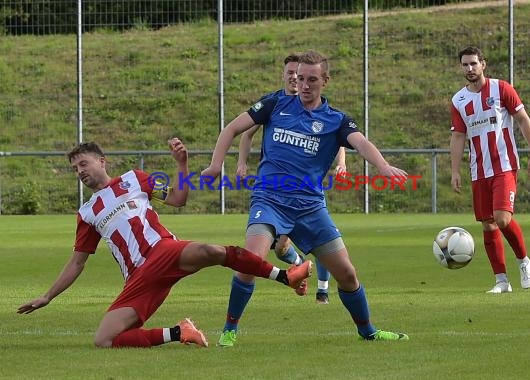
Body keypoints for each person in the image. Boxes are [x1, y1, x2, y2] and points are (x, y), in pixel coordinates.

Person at [17, 138, 312, 348]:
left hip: (164, 251)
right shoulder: (87, 213)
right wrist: (48, 296)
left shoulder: (135, 179)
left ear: (102, 161)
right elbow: (77, 262)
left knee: (212, 251)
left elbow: (178, 199)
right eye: (75, 169)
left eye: (83, 163)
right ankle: (180, 332)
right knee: (104, 340)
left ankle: (286, 275)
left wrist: (182, 164)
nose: (80, 171)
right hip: (139, 278)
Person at [202, 50, 410, 346]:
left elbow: (361, 142)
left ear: (326, 80)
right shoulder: (275, 104)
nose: (305, 85)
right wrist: (215, 165)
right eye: (300, 79)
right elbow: (233, 129)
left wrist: (383, 166)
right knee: (249, 262)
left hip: (310, 208)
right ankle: (229, 329)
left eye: (312, 79)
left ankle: (368, 331)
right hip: (269, 200)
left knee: (348, 275)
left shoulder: (336, 120)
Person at [236, 53, 344, 304]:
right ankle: (298, 268)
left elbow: (336, 135)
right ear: (285, 76)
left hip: (305, 189)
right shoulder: (273, 104)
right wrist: (242, 161)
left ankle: (323, 290)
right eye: (292, 74)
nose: (297, 79)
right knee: (280, 248)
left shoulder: (315, 108)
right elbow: (244, 133)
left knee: (321, 238)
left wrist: (342, 162)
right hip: (274, 192)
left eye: (303, 75)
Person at [449, 46, 530, 294]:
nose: (469, 69)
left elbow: (523, 119)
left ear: (483, 64)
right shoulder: (458, 100)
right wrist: (455, 170)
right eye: (465, 65)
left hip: (504, 165)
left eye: (473, 64)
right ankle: (501, 280)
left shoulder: (501, 88)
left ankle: (523, 261)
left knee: (502, 218)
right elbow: (458, 136)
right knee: (488, 225)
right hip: (479, 170)